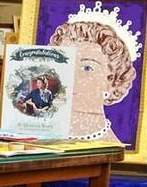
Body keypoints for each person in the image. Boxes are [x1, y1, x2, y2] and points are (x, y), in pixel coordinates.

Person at [48, 8, 138, 143]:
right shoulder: (36, 138)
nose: (70, 77)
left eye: (87, 68)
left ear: (112, 80)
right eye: (64, 65)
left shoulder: (111, 147)